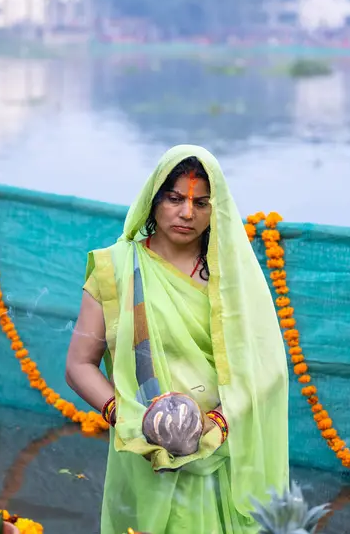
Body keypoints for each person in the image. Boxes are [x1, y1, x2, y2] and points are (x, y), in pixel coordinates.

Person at [65, 145, 289, 534]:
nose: (187, 213)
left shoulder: (232, 281)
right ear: (153, 201)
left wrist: (216, 422)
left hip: (219, 452)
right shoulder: (116, 268)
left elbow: (265, 369)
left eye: (201, 203)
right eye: (175, 199)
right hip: (143, 454)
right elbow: (78, 365)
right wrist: (129, 418)